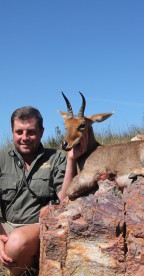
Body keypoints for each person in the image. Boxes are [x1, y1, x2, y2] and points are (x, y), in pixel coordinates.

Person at [0, 106, 86, 276]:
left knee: (16, 243)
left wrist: (71, 160)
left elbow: (64, 199)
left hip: (36, 228)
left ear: (41, 132)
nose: (25, 138)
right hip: (6, 226)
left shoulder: (57, 158)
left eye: (31, 132)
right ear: (12, 132)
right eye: (19, 132)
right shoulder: (2, 158)